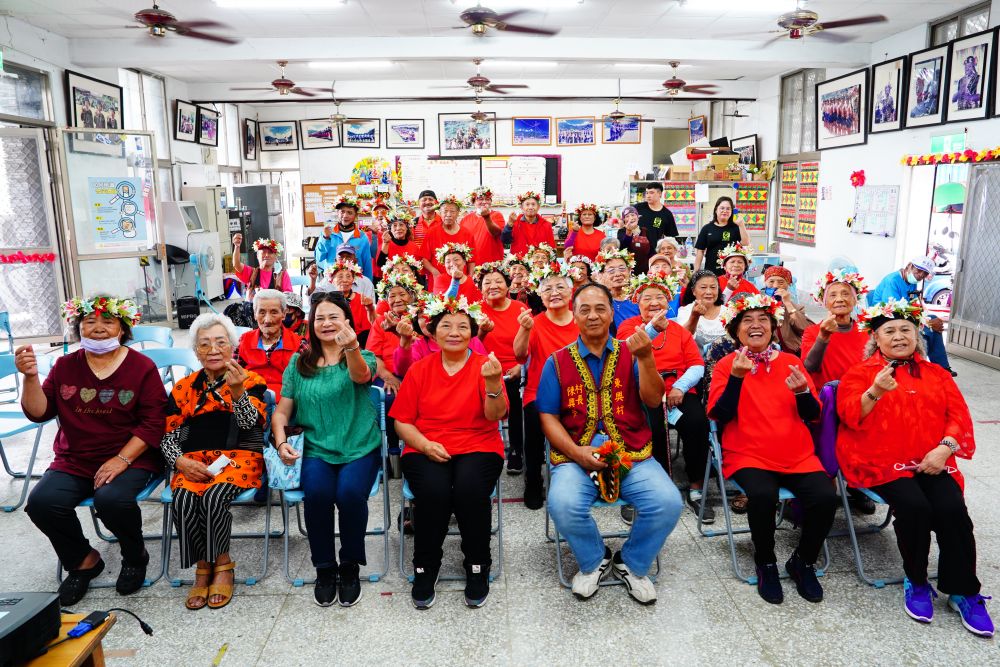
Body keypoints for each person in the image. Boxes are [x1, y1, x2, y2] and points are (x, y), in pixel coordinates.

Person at [837, 298, 992, 636]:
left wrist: (944, 449)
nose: (898, 336)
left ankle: (964, 591)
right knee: (914, 506)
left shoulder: (937, 374)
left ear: (917, 335)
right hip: (878, 459)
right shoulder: (860, 374)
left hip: (931, 459)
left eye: (905, 329)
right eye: (889, 331)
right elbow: (850, 416)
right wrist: (875, 391)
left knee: (952, 510)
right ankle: (917, 581)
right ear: (875, 338)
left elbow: (958, 416)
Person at [539, 282, 682, 604]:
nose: (593, 316)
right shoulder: (557, 362)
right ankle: (594, 560)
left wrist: (646, 358)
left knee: (667, 503)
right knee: (563, 504)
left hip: (632, 452)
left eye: (600, 308)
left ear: (611, 314)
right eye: (585, 309)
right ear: (574, 315)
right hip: (576, 455)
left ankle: (632, 562)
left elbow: (653, 399)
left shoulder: (633, 352)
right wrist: (576, 452)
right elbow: (547, 416)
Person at [18, 296, 165, 605]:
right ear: (79, 328)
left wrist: (121, 459)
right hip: (75, 459)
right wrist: (30, 378)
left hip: (131, 456)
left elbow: (154, 422)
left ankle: (135, 555)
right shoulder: (65, 365)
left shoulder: (142, 367)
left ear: (122, 329)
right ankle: (83, 560)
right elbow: (39, 412)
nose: (98, 328)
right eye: (90, 322)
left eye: (108, 322)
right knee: (42, 503)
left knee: (112, 500)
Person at [707, 293, 837, 605]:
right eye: (747, 320)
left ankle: (803, 561)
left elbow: (813, 414)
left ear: (773, 326)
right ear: (736, 330)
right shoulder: (726, 365)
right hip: (748, 452)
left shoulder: (791, 362)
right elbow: (719, 415)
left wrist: (803, 392)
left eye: (763, 319)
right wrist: (737, 379)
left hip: (796, 453)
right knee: (763, 495)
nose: (756, 325)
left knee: (825, 497)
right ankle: (765, 562)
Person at [390, 295, 508, 609]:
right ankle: (425, 566)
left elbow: (496, 415)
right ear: (432, 331)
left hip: (479, 444)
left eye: (462, 326)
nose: (454, 332)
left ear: (472, 332)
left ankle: (478, 564)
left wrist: (493, 383)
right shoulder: (419, 369)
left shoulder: (485, 366)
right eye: (446, 326)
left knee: (470, 490)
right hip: (425, 445)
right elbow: (402, 422)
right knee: (434, 491)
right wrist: (424, 445)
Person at [272, 291, 382, 607]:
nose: (326, 323)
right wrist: (281, 442)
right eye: (319, 317)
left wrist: (352, 347)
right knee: (318, 494)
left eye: (334, 317)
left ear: (347, 321)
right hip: (316, 448)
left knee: (349, 493)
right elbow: (282, 412)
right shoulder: (298, 363)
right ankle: (324, 567)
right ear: (311, 323)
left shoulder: (363, 355)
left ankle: (349, 565)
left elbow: (361, 375)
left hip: (359, 446)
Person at [160, 314, 267, 610]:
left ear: (232, 347)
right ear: (196, 351)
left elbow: (249, 424)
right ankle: (202, 566)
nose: (213, 350)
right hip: (193, 460)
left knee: (214, 497)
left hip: (239, 459)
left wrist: (238, 391)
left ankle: (222, 564)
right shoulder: (183, 388)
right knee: (183, 498)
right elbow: (169, 436)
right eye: (204, 344)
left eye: (221, 342)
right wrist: (179, 461)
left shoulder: (251, 380)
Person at [616, 271, 712, 522]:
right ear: (637, 303)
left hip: (678, 391)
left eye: (659, 297)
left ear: (668, 303)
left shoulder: (678, 330)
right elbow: (625, 353)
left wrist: (680, 387)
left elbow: (696, 364)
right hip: (643, 390)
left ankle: (696, 487)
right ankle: (646, 488)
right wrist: (651, 330)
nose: (654, 302)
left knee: (697, 423)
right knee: (649, 427)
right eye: (647, 298)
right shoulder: (629, 326)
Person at [513, 265, 580, 509]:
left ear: (571, 292)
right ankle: (533, 479)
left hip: (577, 391)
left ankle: (581, 475)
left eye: (560, 287)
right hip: (539, 392)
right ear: (540, 296)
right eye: (548, 289)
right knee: (533, 423)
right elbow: (520, 356)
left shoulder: (582, 320)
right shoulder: (535, 323)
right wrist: (524, 329)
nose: (554, 292)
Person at [477, 261, 530, 475]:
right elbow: (470, 346)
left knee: (516, 395)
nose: (493, 286)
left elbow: (530, 342)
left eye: (498, 281)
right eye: (487, 282)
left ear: (508, 285)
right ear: (481, 288)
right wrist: (482, 332)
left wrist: (520, 366)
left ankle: (516, 449)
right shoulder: (475, 310)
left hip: (514, 370)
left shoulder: (520, 309)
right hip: (484, 368)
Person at [868, 257, 954, 375]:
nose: (920, 275)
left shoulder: (911, 283)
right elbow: (895, 312)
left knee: (934, 319)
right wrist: (926, 323)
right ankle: (921, 367)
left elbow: (912, 306)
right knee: (927, 330)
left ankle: (942, 368)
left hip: (902, 317)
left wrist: (927, 319)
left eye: (924, 274)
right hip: (886, 318)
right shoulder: (893, 281)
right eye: (918, 270)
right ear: (909, 266)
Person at [366, 273, 422, 456]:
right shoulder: (380, 321)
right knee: (390, 397)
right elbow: (373, 356)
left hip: (419, 373)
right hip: (387, 374)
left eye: (402, 294)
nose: (397, 299)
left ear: (412, 296)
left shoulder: (421, 318)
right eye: (392, 296)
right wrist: (388, 377)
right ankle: (392, 447)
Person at [801, 269, 870, 388]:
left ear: (855, 300)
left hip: (859, 394)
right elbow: (809, 367)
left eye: (845, 294)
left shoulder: (867, 331)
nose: (839, 299)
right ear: (825, 302)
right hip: (826, 397)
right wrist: (823, 337)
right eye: (833, 295)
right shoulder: (812, 331)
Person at [235, 289, 304, 397]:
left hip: (286, 401)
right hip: (249, 399)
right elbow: (234, 376)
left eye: (274, 312)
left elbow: (306, 382)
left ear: (284, 314)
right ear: (255, 314)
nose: (267, 320)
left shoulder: (299, 344)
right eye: (262, 312)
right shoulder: (243, 341)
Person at [228, 234, 291, 327]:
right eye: (263, 252)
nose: (266, 255)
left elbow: (288, 298)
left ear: (275, 257)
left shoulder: (282, 275)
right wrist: (237, 247)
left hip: (273, 315)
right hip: (252, 314)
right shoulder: (251, 272)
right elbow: (236, 264)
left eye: (270, 252)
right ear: (258, 256)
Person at [421, 195, 477, 289]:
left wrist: (470, 278)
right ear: (440, 213)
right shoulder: (432, 232)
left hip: (461, 280)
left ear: (458, 213)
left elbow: (471, 260)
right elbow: (424, 258)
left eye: (452, 211)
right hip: (438, 281)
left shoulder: (467, 233)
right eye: (445, 211)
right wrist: (434, 272)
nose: (448, 214)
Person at [314, 195, 373, 281]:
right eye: (342, 212)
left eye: (350, 212)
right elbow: (319, 258)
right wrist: (325, 238)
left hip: (354, 282)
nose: (345, 215)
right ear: (337, 213)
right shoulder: (328, 233)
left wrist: (368, 284)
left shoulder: (362, 237)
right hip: (332, 281)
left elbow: (367, 263)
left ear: (356, 215)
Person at [759, 265, 810, 355]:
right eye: (771, 281)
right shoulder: (756, 305)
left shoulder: (797, 307)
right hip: (763, 353)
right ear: (765, 283)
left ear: (788, 285)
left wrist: (788, 303)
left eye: (781, 282)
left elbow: (804, 330)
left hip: (791, 354)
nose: (775, 285)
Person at [323, 259, 374, 347]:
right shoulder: (327, 302)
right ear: (332, 280)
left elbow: (367, 331)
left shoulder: (361, 299)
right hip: (334, 342)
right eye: (340, 277)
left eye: (348, 276)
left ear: (353, 279)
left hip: (358, 344)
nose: (345, 280)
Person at [694, 196, 750, 275]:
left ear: (731, 212)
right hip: (711, 271)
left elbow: (745, 243)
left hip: (731, 272)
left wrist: (741, 225)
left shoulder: (735, 227)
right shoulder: (707, 228)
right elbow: (700, 251)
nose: (725, 211)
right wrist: (696, 271)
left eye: (728, 209)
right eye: (722, 208)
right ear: (716, 210)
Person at [310, 244, 375, 301]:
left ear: (356, 261)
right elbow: (313, 300)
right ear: (336, 261)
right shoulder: (327, 281)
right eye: (341, 258)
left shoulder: (365, 283)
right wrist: (313, 280)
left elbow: (371, 307)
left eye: (348, 257)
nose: (344, 260)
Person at [593, 248, 639, 328]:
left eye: (622, 269)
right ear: (601, 275)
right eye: (611, 270)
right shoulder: (597, 299)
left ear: (629, 271)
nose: (618, 274)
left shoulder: (639, 297)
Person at [503, 191, 555, 256]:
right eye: (527, 204)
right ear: (521, 207)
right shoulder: (515, 223)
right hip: (519, 261)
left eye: (533, 204)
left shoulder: (546, 225)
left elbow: (552, 248)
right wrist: (509, 225)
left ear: (538, 207)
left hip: (538, 261)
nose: (530, 207)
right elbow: (505, 241)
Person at [461, 187, 505, 264]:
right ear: (474, 202)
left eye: (487, 199)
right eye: (480, 199)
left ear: (491, 202)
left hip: (493, 264)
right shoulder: (465, 219)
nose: (484, 202)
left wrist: (487, 218)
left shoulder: (497, 215)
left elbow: (496, 233)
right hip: (472, 264)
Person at [634, 183, 678, 252]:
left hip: (654, 252)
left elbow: (671, 238)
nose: (648, 196)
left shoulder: (666, 214)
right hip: (635, 249)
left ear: (660, 194)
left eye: (651, 193)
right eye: (647, 193)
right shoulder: (637, 208)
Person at [377, 209, 421, 273]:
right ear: (390, 229)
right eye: (394, 225)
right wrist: (386, 244)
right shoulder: (384, 245)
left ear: (407, 228)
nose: (398, 228)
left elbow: (417, 270)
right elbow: (380, 265)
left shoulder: (414, 247)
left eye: (401, 225)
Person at [617, 206, 651, 274]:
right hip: (628, 269)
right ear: (624, 220)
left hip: (645, 269)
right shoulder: (621, 231)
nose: (631, 218)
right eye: (627, 216)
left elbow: (652, 250)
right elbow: (623, 248)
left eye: (633, 215)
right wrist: (628, 232)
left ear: (638, 217)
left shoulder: (645, 230)